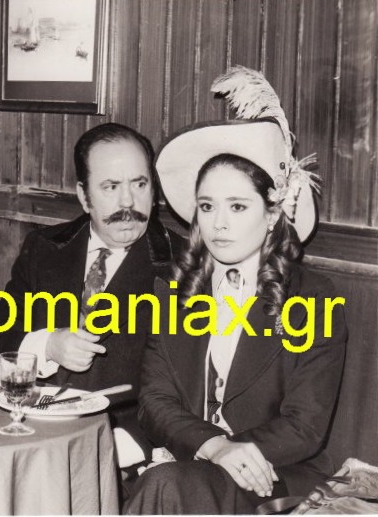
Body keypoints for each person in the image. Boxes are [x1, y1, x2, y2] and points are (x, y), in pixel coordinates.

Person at [123, 66, 348, 514]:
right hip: (192, 463)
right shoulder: (175, 293)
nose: (218, 224)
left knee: (165, 485)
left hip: (272, 475)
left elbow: (305, 426)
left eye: (238, 207)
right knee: (162, 483)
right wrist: (211, 446)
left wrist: (231, 453)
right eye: (207, 207)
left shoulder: (314, 298)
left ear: (272, 215)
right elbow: (154, 401)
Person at [0, 123, 181, 476]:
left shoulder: (185, 264)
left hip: (123, 455)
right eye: (110, 187)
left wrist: (128, 448)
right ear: (84, 196)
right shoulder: (44, 248)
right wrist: (47, 346)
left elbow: (190, 393)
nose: (128, 202)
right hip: (27, 438)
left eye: (139, 184)